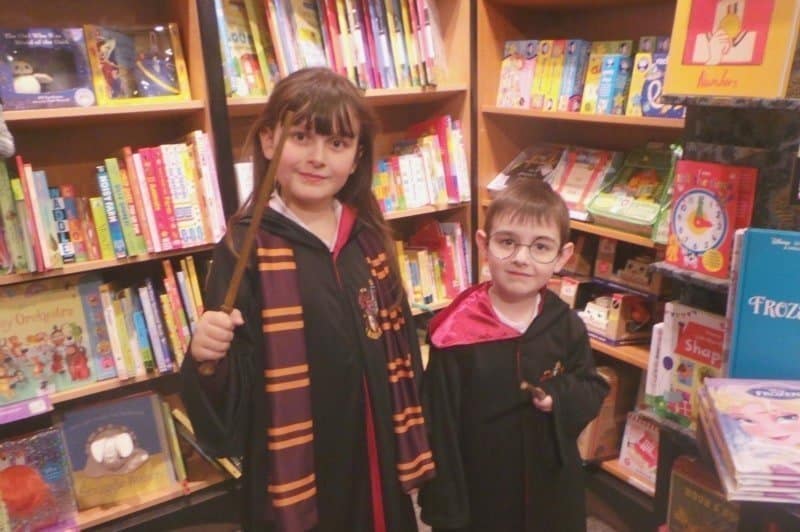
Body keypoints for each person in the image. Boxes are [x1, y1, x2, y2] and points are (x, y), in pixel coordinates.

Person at [181, 67, 434, 532]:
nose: (318, 158)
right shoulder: (245, 249)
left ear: (357, 157)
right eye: (301, 137)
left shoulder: (368, 238)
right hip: (297, 461)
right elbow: (226, 391)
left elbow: (396, 348)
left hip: (373, 444)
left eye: (337, 144)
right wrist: (204, 357)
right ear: (268, 142)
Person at [418, 178, 609, 532]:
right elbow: (439, 428)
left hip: (551, 484)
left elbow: (591, 386)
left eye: (540, 247)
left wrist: (559, 397)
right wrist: (446, 508)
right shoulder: (454, 333)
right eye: (507, 242)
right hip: (483, 491)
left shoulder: (564, 324)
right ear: (483, 244)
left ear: (562, 256)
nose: (521, 258)